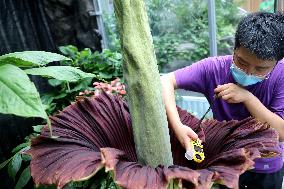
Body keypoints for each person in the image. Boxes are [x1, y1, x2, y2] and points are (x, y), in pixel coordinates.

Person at [161, 12, 284, 189]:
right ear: (234, 49)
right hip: (225, 163)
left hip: (266, 167)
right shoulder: (213, 69)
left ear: (276, 63)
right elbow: (165, 81)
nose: (249, 72)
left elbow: (281, 132)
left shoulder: (281, 76)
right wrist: (177, 126)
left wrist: (248, 98)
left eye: (260, 69)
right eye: (241, 62)